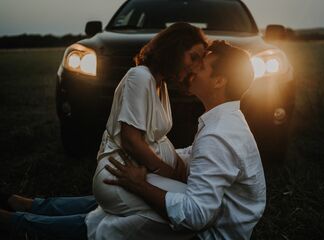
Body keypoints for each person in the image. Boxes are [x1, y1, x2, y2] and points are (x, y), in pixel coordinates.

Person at [0, 22, 207, 239]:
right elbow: (131, 139)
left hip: (136, 170)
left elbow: (155, 138)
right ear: (174, 48)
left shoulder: (159, 83)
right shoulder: (141, 77)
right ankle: (13, 223)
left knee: (102, 214)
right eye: (193, 57)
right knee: (173, 213)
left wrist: (177, 167)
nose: (195, 66)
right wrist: (167, 170)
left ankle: (23, 209)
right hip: (120, 169)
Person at [103, 40, 267, 240]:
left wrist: (140, 186)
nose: (192, 69)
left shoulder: (217, 136)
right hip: (212, 225)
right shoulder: (228, 120)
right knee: (115, 199)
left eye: (202, 66)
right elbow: (196, 156)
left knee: (117, 213)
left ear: (219, 81)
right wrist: (153, 158)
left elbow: (195, 215)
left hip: (208, 235)